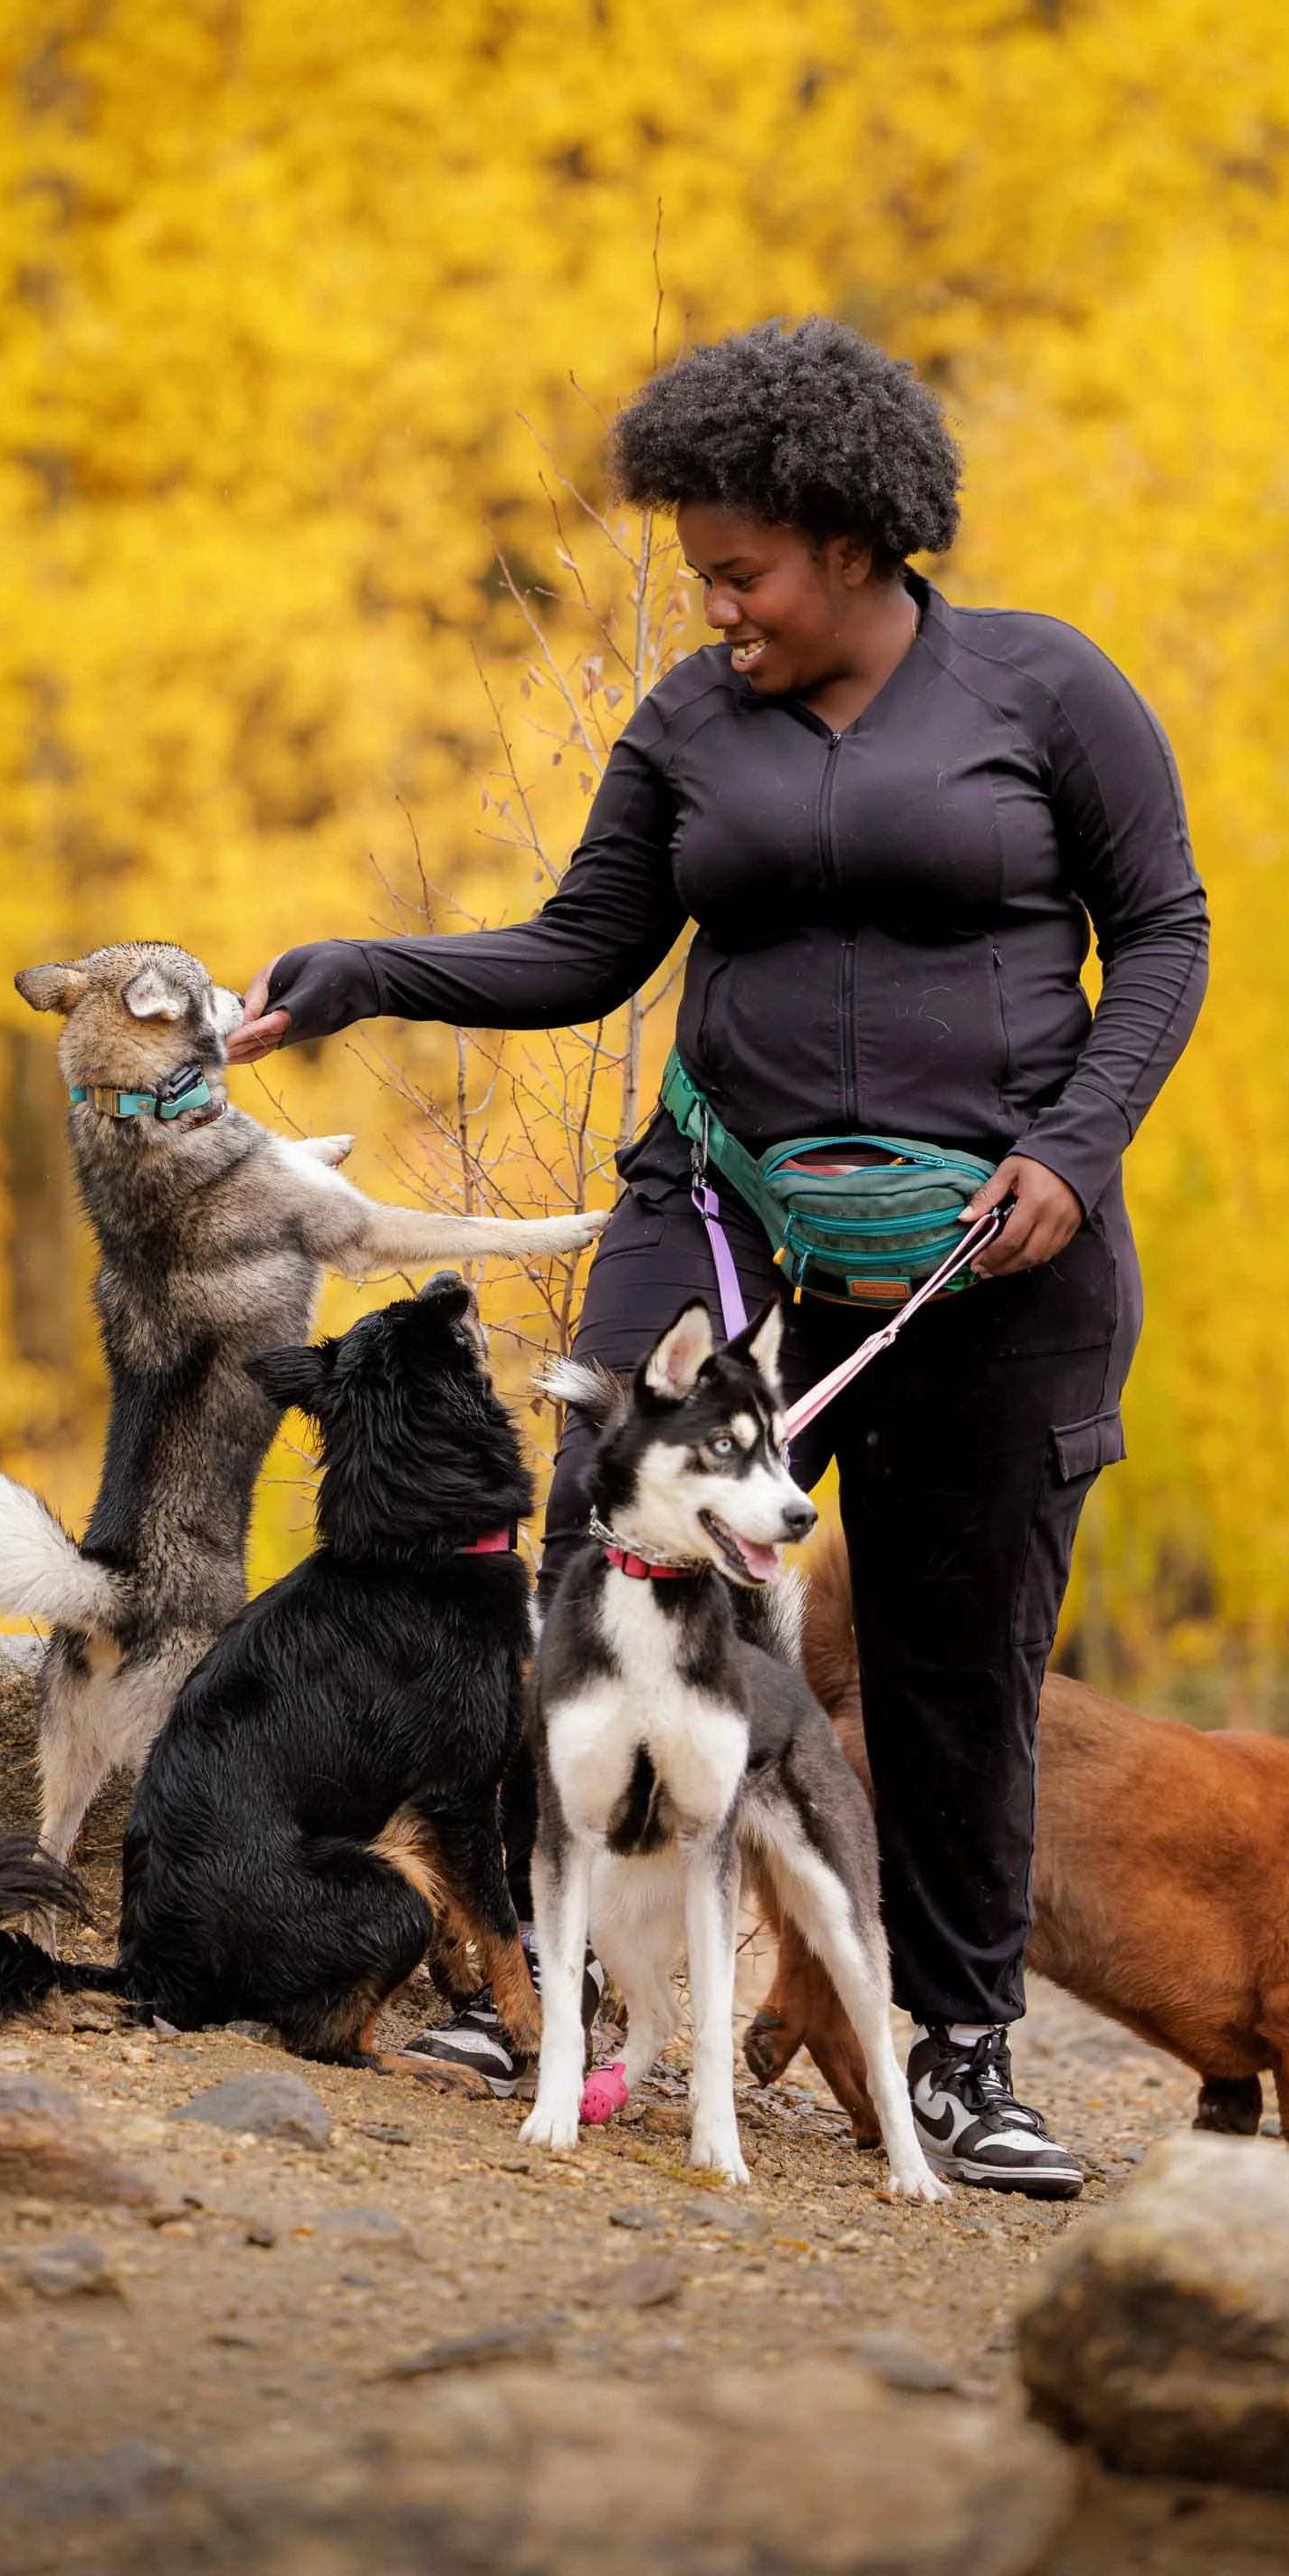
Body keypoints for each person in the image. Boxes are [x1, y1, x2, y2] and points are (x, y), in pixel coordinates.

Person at [227, 316, 1208, 2191]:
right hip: (722, 1215)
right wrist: (361, 972)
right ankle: (553, 1992)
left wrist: (1070, 1157)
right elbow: (576, 951)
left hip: (990, 1258)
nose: (716, 605)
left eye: (736, 570)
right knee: (597, 1577)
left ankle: (957, 2050)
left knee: (948, 1650)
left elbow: (1158, 930)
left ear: (850, 540)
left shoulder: (1045, 694)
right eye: (701, 574)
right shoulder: (690, 722)